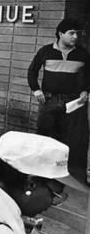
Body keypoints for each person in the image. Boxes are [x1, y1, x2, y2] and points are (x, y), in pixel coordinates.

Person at [28, 18, 90, 146]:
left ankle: (58, 165)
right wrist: (36, 89)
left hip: (70, 102)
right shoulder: (46, 51)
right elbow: (32, 71)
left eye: (77, 33)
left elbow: (88, 75)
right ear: (61, 34)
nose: (75, 37)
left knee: (64, 137)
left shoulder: (82, 53)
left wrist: (85, 90)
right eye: (71, 33)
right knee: (42, 136)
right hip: (48, 100)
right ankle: (41, 165)